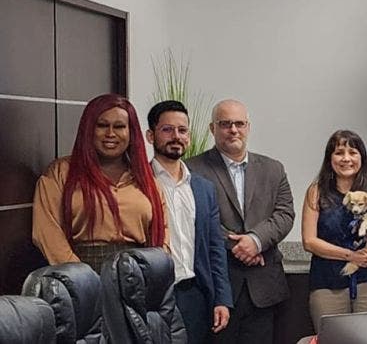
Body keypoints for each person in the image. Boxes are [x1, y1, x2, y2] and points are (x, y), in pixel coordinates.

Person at [187, 99, 295, 344]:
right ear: (212, 129)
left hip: (264, 286)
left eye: (239, 123)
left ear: (248, 126)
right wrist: (239, 245)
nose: (233, 130)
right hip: (217, 288)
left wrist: (256, 241)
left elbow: (285, 213)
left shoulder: (273, 169)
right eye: (225, 124)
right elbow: (196, 218)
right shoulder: (192, 170)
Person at [32, 93, 168, 272]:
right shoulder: (61, 173)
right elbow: (47, 234)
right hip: (80, 274)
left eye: (119, 127)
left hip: (138, 278)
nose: (110, 134)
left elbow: (163, 236)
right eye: (102, 125)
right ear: (88, 129)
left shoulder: (147, 181)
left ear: (131, 133)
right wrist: (82, 278)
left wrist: (152, 275)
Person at [146, 100, 232, 343]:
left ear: (190, 137)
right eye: (167, 129)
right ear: (150, 135)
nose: (176, 136)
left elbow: (216, 248)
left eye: (182, 130)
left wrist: (222, 299)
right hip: (154, 295)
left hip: (195, 294)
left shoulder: (203, 188)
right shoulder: (138, 184)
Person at [301, 130, 367, 331]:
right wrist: (350, 256)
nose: (346, 159)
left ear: (361, 158)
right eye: (339, 153)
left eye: (353, 152)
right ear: (330, 158)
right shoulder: (316, 191)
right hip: (328, 284)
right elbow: (309, 241)